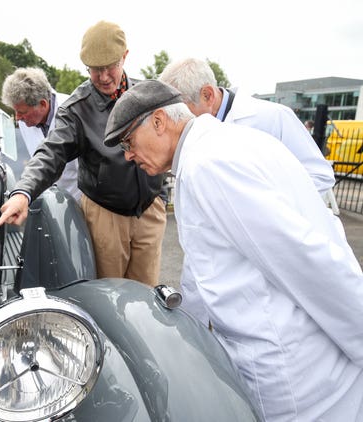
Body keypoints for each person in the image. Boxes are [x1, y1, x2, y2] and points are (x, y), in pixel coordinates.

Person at [103, 79, 363, 421]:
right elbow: (201, 269)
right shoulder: (221, 146)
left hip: (295, 376)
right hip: (296, 357)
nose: (128, 155)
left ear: (158, 122)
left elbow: (305, 260)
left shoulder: (208, 165)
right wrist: (187, 343)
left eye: (127, 141)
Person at [0, 21, 167, 287]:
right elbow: (51, 152)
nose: (104, 77)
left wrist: (160, 194)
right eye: (95, 70)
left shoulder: (148, 95)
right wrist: (23, 192)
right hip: (105, 214)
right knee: (109, 294)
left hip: (149, 209)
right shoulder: (76, 109)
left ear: (125, 56)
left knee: (148, 293)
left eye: (110, 66)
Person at [158, 57, 335, 197]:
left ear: (207, 95)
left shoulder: (274, 117)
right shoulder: (196, 131)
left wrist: (265, 208)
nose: (177, 119)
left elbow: (319, 176)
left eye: (181, 110)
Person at [1, 67, 81, 201]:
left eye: (22, 112)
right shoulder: (24, 121)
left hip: (80, 199)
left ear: (43, 104)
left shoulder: (75, 113)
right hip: (52, 200)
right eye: (16, 111)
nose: (18, 118)